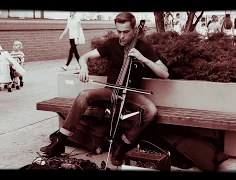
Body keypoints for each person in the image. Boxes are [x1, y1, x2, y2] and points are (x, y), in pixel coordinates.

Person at [40, 12, 169, 166]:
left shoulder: (144, 48)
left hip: (131, 93)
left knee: (151, 111)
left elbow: (164, 73)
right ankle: (61, 140)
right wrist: (84, 69)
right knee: (83, 95)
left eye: (125, 32)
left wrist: (143, 58)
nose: (121, 36)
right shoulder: (111, 44)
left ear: (134, 30)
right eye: (118, 31)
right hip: (110, 90)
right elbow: (84, 57)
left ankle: (123, 144)